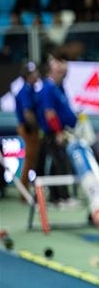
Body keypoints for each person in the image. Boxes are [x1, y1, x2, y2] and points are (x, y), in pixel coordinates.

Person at [36, 53, 79, 206]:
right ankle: (61, 197)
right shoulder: (48, 87)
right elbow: (49, 113)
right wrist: (58, 131)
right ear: (50, 68)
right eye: (57, 63)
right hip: (53, 132)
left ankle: (58, 197)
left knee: (58, 163)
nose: (62, 66)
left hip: (61, 131)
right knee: (60, 163)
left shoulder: (58, 87)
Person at [13, 61, 42, 195]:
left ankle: (31, 190)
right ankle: (24, 193)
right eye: (33, 73)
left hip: (30, 128)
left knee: (34, 160)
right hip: (28, 129)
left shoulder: (31, 89)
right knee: (29, 160)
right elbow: (28, 114)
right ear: (27, 76)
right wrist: (37, 128)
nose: (36, 74)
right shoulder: (25, 91)